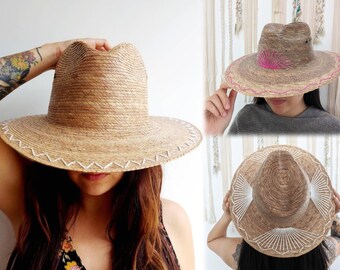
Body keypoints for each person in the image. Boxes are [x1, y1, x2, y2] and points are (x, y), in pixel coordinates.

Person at [0, 39, 202, 269]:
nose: (94, 163)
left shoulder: (171, 222)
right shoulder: (35, 217)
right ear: (55, 144)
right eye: (79, 145)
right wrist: (53, 55)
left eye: (110, 146)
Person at [207, 145, 340, 270]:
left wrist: (227, 215)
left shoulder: (240, 257)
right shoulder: (325, 255)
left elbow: (213, 240)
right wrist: (332, 214)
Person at [205, 22, 340, 135]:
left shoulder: (332, 129)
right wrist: (213, 132)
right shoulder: (246, 119)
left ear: (309, 79)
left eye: (286, 82)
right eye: (268, 82)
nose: (275, 93)